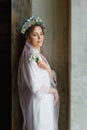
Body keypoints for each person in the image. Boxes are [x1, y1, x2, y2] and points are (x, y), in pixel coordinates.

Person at [18, 16, 60, 130]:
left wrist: (47, 69)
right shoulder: (31, 57)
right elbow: (34, 86)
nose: (39, 37)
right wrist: (53, 91)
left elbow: (50, 77)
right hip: (39, 103)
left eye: (41, 34)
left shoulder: (38, 56)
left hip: (45, 103)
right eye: (35, 35)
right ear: (28, 38)